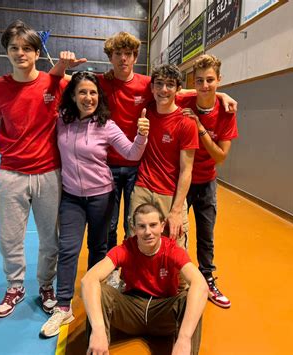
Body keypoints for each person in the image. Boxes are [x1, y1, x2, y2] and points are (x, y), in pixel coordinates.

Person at [98, 32, 238, 253]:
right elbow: (74, 82)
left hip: (157, 174)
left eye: (128, 54)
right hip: (118, 168)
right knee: (118, 228)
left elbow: (191, 90)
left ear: (135, 57)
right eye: (118, 54)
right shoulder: (105, 83)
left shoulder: (159, 96)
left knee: (175, 233)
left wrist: (220, 95)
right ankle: (120, 270)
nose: (123, 58)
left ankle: (196, 277)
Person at [0, 20, 84, 318]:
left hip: (50, 174)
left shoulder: (57, 84)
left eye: (27, 48)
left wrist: (208, 96)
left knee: (50, 239)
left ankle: (46, 286)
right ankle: (15, 286)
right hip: (11, 174)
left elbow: (97, 93)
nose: (20, 53)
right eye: (14, 48)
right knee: (9, 238)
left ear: (37, 52)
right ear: (7, 52)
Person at [40, 71, 150, 337]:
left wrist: (141, 134)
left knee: (98, 247)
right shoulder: (61, 122)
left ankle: (95, 296)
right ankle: (63, 306)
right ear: (74, 96)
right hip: (71, 198)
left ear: (98, 96)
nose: (88, 97)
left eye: (93, 92)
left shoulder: (106, 125)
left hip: (101, 195)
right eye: (82, 92)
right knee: (68, 249)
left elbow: (132, 153)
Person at [81, 203, 208, 355]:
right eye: (142, 226)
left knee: (191, 298)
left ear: (162, 226)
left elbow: (200, 284)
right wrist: (98, 330)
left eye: (153, 225)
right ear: (134, 229)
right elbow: (88, 280)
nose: (148, 232)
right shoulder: (125, 249)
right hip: (131, 310)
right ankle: (97, 350)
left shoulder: (173, 250)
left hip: (163, 313)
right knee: (100, 291)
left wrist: (184, 338)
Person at [177, 54, 238, 308]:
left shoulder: (226, 112)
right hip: (181, 178)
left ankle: (207, 279)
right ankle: (176, 278)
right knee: (176, 231)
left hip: (207, 181)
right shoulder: (184, 100)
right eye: (200, 80)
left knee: (206, 235)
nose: (205, 86)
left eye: (210, 80)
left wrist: (199, 127)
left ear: (219, 80)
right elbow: (157, 86)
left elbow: (220, 156)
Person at [129, 64, 198, 249]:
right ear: (152, 88)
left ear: (178, 89)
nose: (163, 90)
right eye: (159, 84)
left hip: (170, 193)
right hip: (142, 187)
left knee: (174, 250)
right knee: (136, 245)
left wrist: (176, 210)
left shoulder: (186, 122)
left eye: (170, 85)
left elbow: (186, 170)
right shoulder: (147, 112)